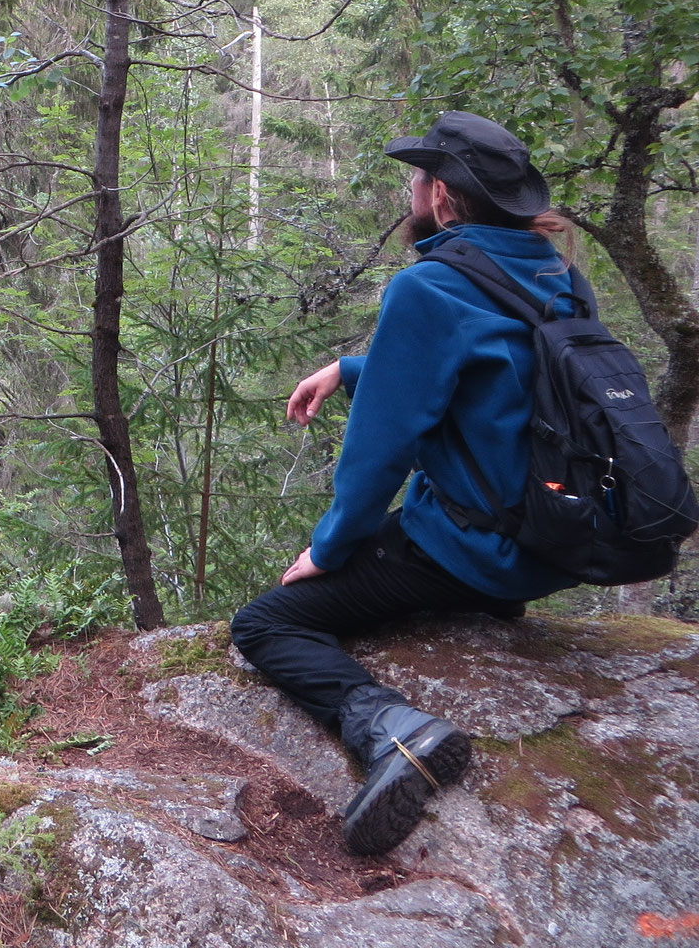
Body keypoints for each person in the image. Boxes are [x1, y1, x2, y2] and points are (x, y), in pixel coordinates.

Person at [230, 111, 582, 856]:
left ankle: (396, 731)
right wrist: (351, 369)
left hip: (465, 550)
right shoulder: (554, 272)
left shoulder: (431, 284)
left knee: (267, 623)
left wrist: (331, 549)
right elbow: (498, 378)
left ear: (444, 198)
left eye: (418, 179)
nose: (411, 191)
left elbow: (381, 451)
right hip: (545, 545)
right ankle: (484, 609)